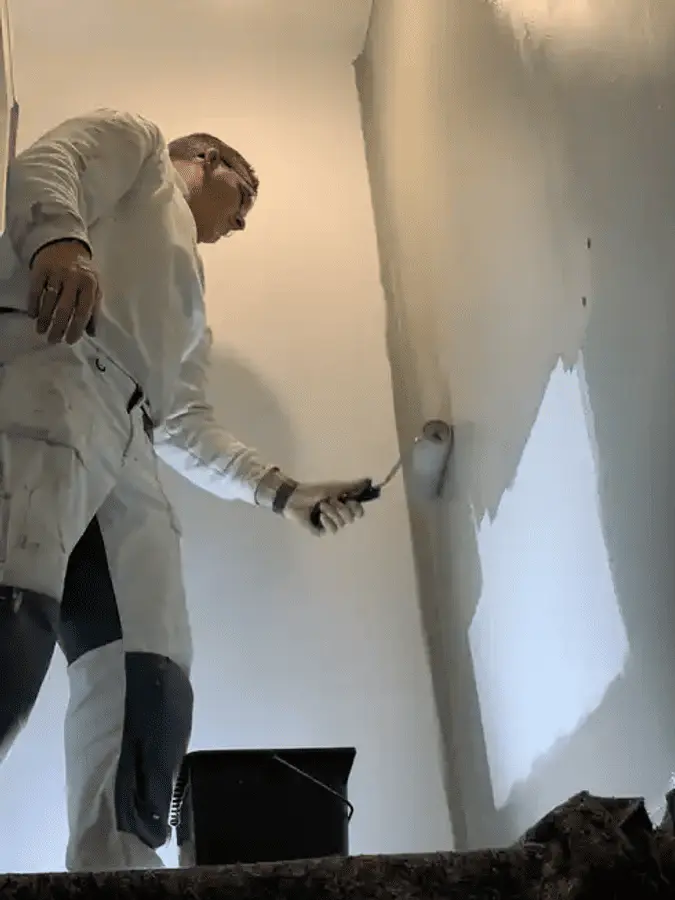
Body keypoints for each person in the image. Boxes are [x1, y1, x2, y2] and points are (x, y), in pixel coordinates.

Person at [0, 108, 370, 871]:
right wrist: (59, 242)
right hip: (52, 364)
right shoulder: (139, 146)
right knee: (11, 611)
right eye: (245, 195)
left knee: (152, 674)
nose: (242, 221)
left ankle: (119, 868)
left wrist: (283, 492)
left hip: (129, 435)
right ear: (206, 157)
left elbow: (183, 422)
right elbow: (50, 162)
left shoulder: (187, 299)